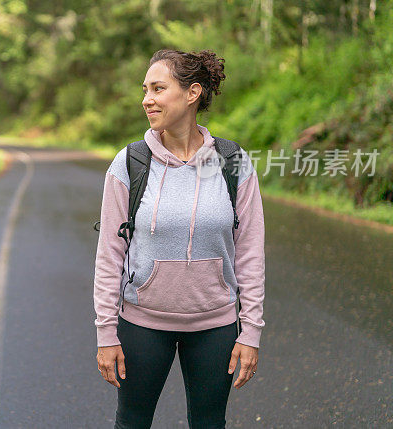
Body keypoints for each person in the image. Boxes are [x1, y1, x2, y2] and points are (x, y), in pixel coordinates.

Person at [93, 49, 266, 428]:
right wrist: (106, 332)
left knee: (209, 423)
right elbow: (109, 254)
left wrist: (250, 330)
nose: (146, 99)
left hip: (215, 325)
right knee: (132, 422)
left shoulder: (232, 162)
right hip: (141, 323)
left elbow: (250, 253)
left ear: (192, 93)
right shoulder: (130, 163)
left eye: (158, 88)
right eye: (144, 90)